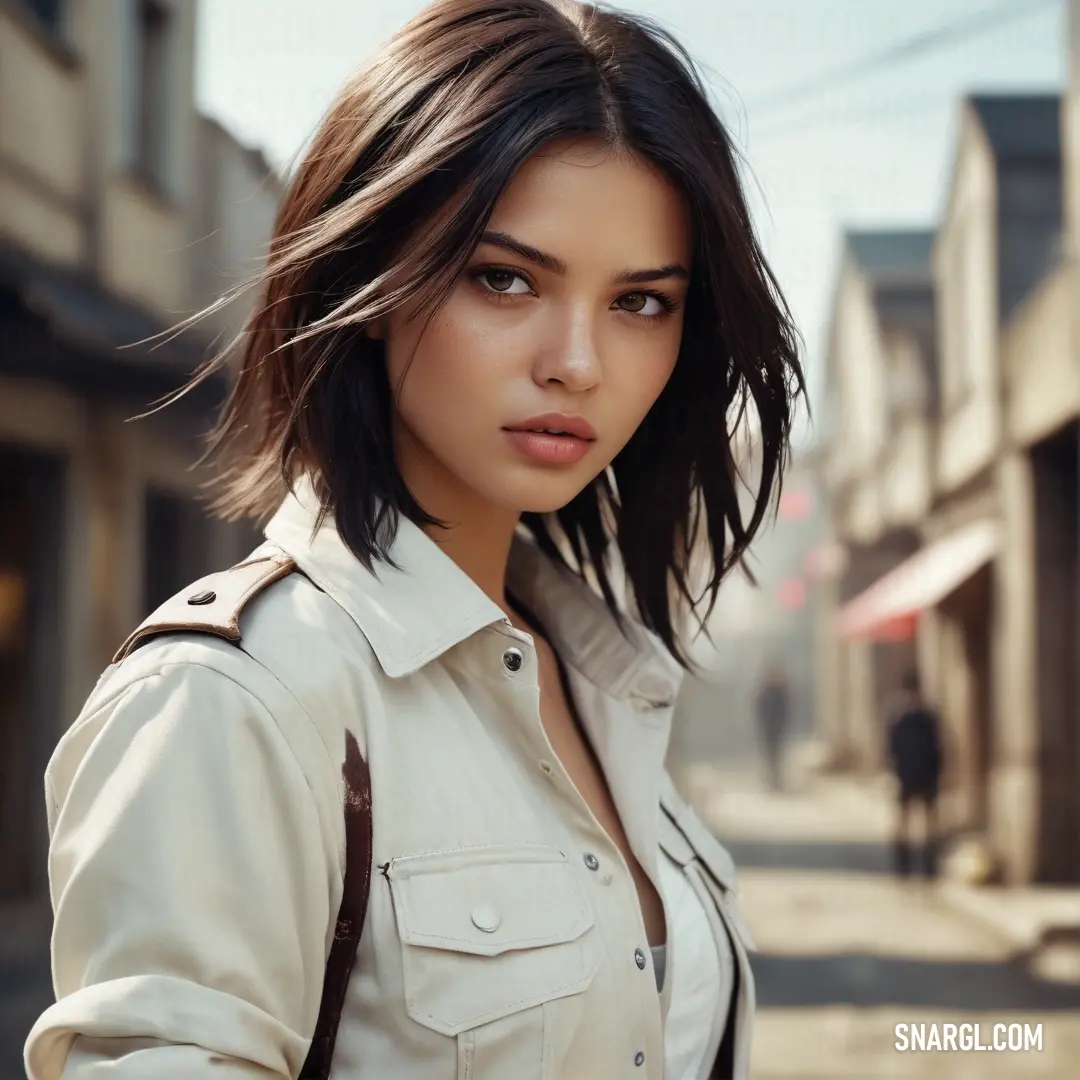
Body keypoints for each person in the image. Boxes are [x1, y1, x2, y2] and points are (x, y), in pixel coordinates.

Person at [24, 2, 803, 1078]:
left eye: (640, 302)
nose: (578, 361)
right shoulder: (235, 701)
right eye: (506, 278)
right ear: (367, 283)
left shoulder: (598, 677)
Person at [886, 669, 944, 878]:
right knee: (905, 821)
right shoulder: (901, 717)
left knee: (929, 823)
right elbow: (892, 748)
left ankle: (929, 863)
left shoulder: (926, 716)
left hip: (925, 774)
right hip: (907, 774)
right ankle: (904, 861)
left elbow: (938, 747)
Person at [755, 664, 790, 792]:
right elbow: (759, 710)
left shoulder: (781, 692)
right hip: (767, 729)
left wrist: (782, 723)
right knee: (769, 756)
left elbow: (786, 710)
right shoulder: (764, 692)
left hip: (778, 729)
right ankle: (770, 780)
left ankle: (776, 780)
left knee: (777, 756)